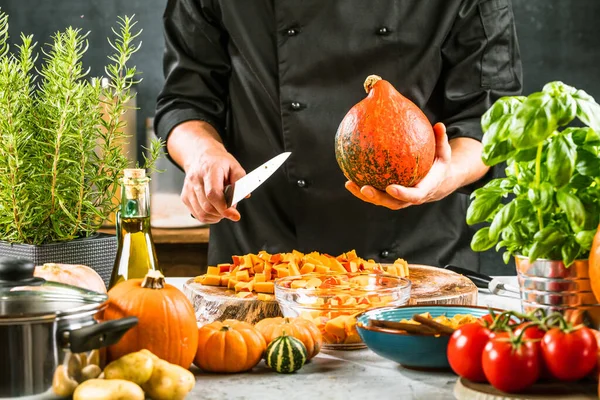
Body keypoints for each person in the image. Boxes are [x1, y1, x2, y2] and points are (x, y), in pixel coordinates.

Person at [155, 0, 523, 272]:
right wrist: (202, 153)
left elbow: (488, 120)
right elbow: (186, 99)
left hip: (417, 265)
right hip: (267, 263)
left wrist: (445, 175)